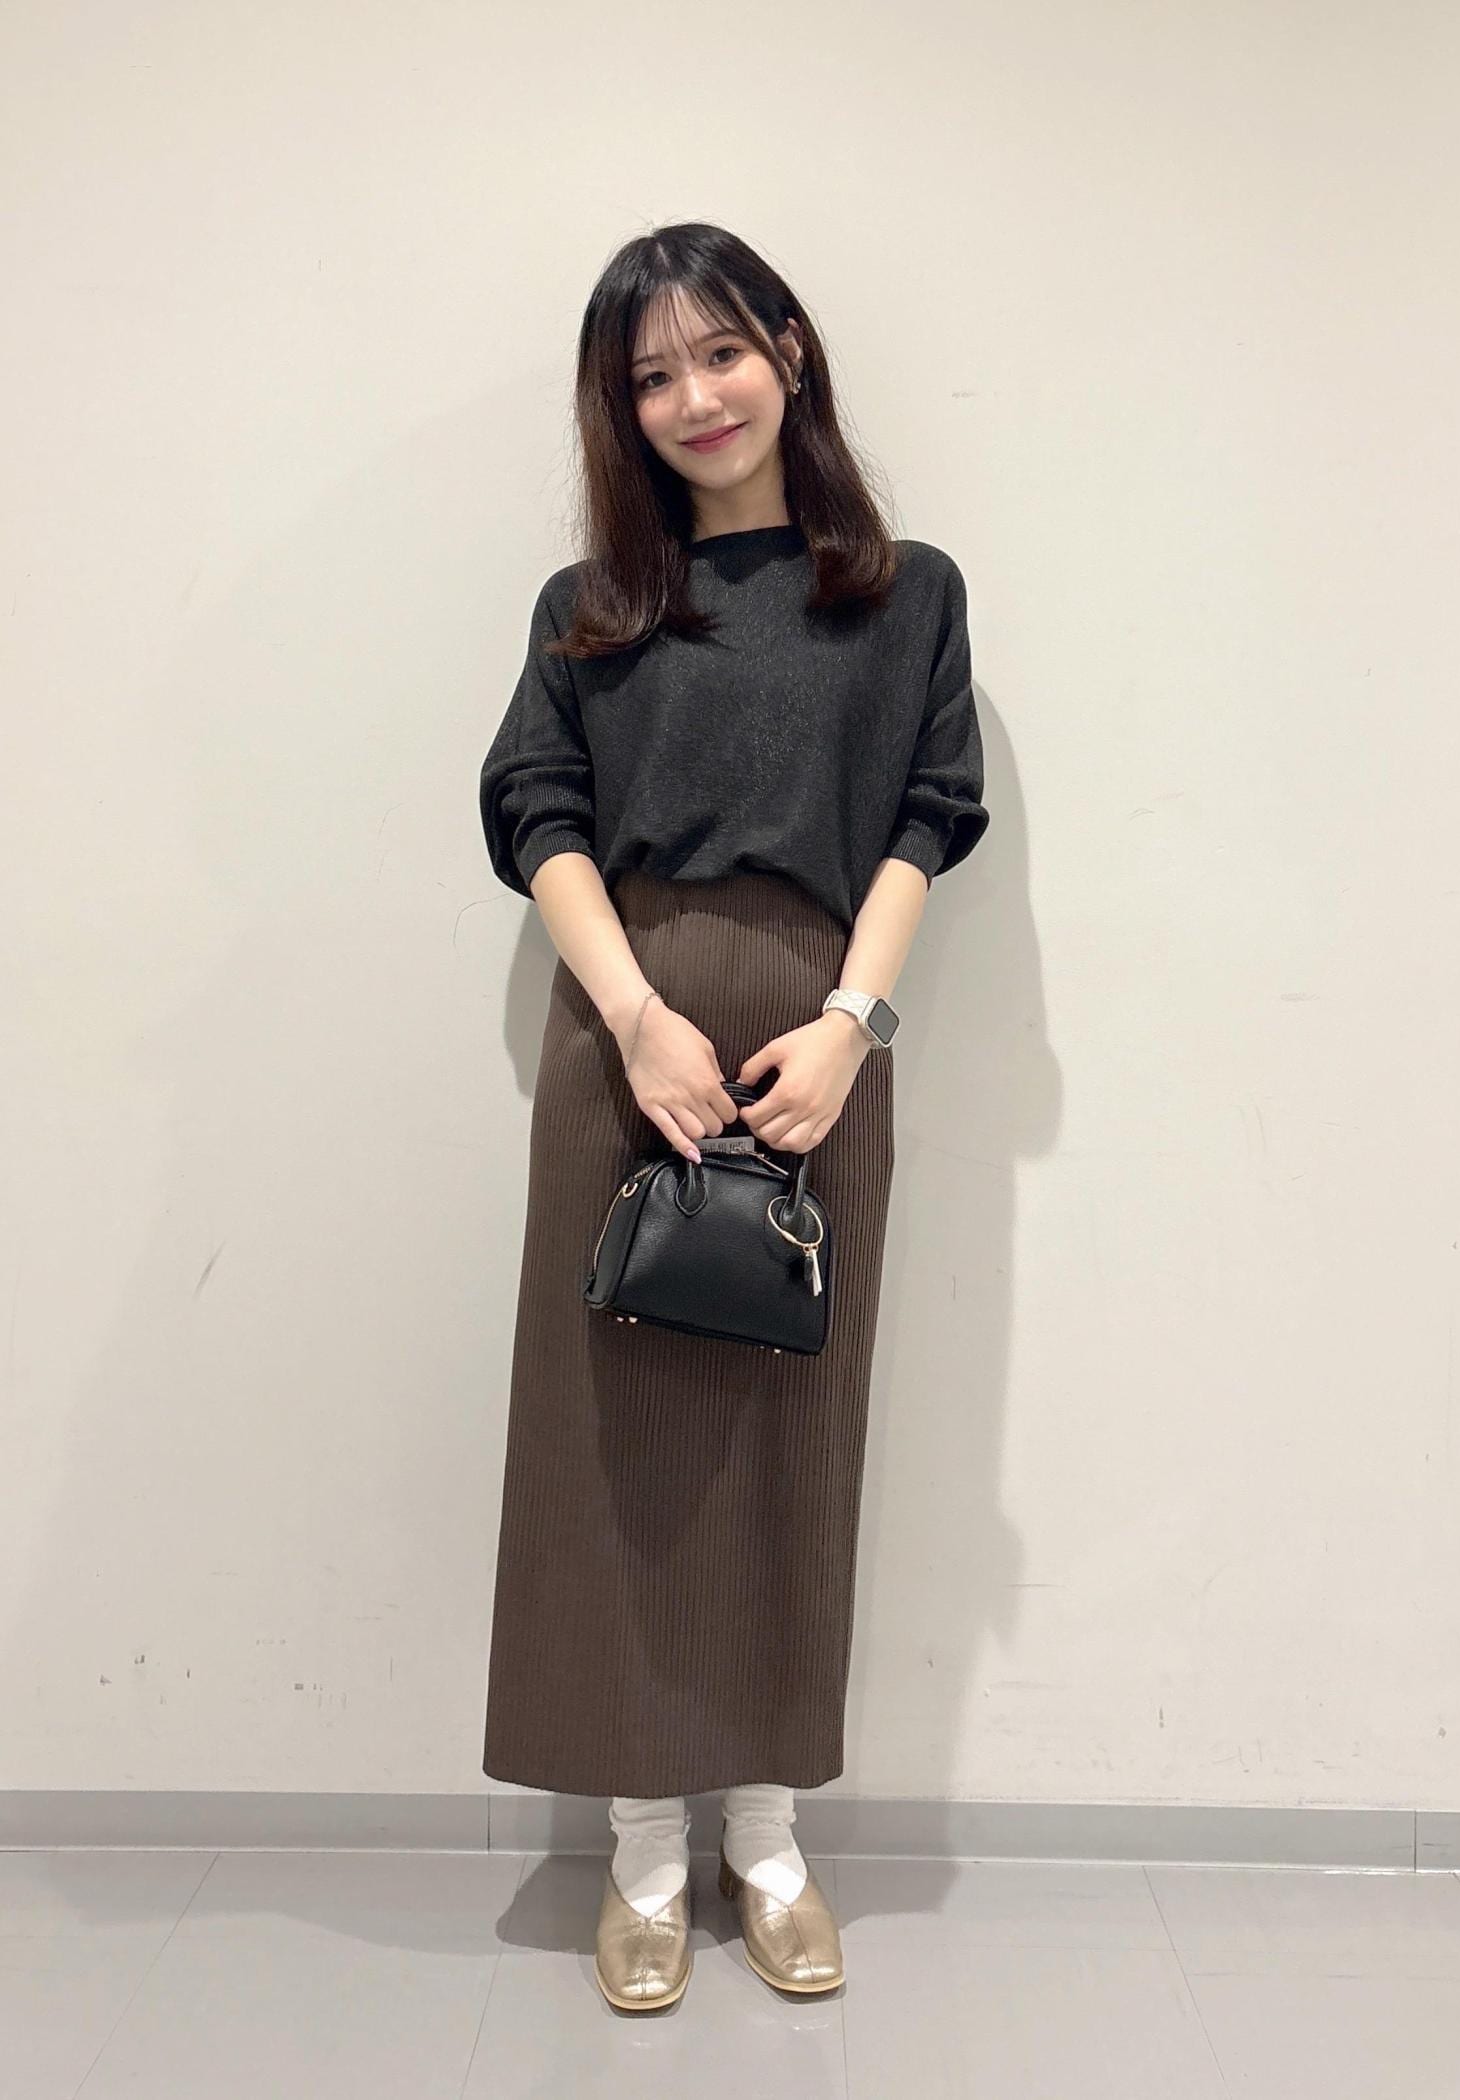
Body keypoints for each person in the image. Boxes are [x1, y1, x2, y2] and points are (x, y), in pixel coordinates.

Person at [476, 220, 990, 2011]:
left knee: (792, 1431)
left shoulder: (904, 594)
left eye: (719, 352)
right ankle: (638, 1850)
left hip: (817, 1042)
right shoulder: (592, 609)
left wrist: (854, 1023)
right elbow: (537, 812)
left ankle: (764, 1840)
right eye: (651, 376)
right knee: (616, 1439)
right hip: (628, 1038)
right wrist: (636, 1022)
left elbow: (929, 814)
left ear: (789, 348)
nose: (694, 397)